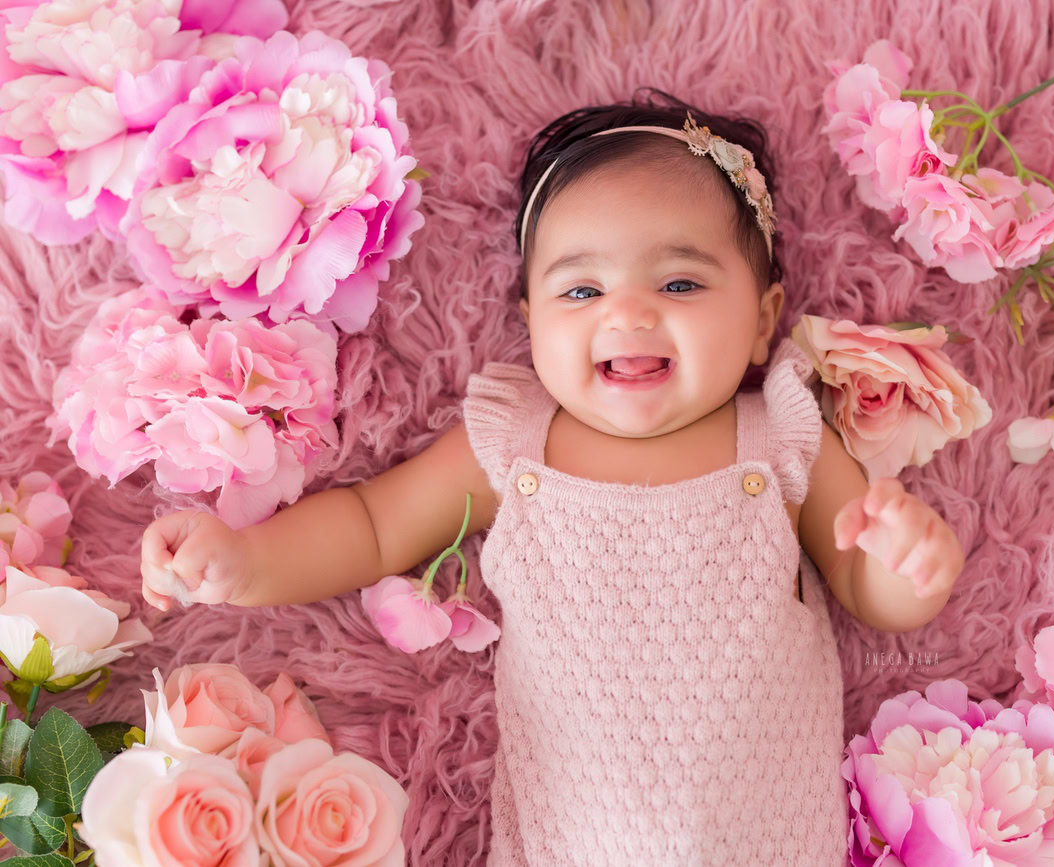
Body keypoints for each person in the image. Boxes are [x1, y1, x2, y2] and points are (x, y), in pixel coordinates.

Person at [139, 88, 966, 865]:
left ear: (761, 319)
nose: (629, 312)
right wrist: (246, 562)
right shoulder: (516, 443)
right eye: (583, 288)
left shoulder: (781, 439)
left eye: (680, 282)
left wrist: (907, 564)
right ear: (532, 324)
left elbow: (867, 585)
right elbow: (370, 525)